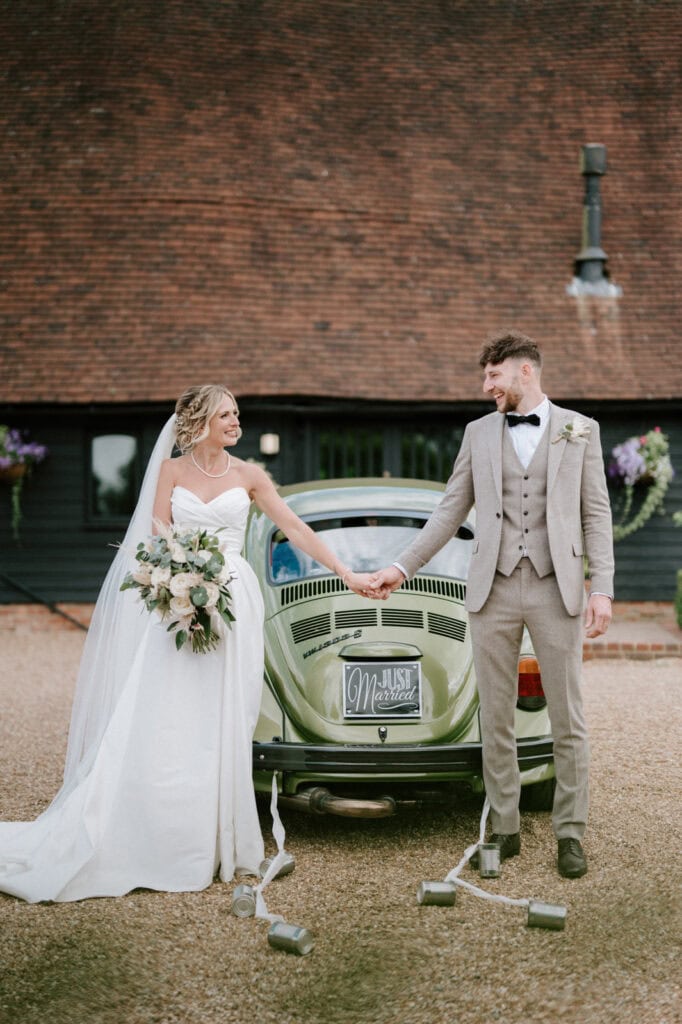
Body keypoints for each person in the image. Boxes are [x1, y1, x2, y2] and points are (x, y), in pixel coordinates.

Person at [0, 384, 373, 902]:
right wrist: (170, 582)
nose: (236, 422)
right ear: (200, 421)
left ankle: (220, 838)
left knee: (225, 714)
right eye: (227, 414)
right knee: (168, 710)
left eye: (238, 414)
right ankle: (158, 828)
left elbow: (295, 528)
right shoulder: (171, 472)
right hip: (175, 604)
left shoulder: (250, 475)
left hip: (233, 602)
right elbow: (154, 536)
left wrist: (346, 571)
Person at [369, 332, 614, 879]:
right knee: (495, 714)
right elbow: (448, 511)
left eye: (493, 376)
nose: (487, 387)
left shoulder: (581, 430)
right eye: (486, 377)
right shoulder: (477, 434)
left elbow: (596, 515)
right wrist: (399, 567)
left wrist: (603, 588)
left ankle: (570, 833)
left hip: (558, 588)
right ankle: (504, 826)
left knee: (567, 717)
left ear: (525, 371)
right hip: (492, 589)